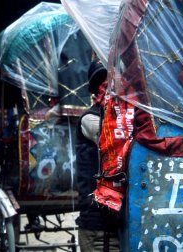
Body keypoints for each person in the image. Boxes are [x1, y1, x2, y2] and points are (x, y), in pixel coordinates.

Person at [75, 59, 121, 252]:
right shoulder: (90, 119)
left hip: (121, 224)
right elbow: (115, 140)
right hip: (97, 229)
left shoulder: (126, 116)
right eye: (104, 85)